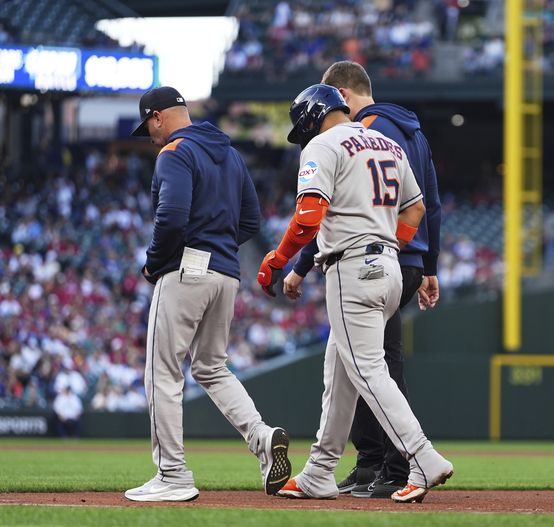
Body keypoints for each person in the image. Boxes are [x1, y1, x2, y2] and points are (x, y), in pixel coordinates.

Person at [257, 84, 453, 503]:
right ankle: (319, 472)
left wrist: (278, 259)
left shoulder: (325, 145)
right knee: (340, 373)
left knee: (366, 371)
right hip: (389, 266)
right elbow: (417, 207)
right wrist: (390, 244)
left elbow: (309, 217)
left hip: (351, 267)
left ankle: (422, 457)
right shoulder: (386, 142)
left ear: (311, 116)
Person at [124, 86, 291, 502]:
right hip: (227, 274)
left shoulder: (174, 152)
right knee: (212, 367)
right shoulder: (231, 154)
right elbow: (251, 220)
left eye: (149, 127)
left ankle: (173, 474)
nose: (151, 136)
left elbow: (173, 215)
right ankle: (261, 437)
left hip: (187, 269)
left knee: (162, 373)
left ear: (159, 116)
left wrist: (154, 262)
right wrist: (216, 247)